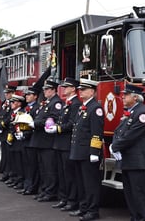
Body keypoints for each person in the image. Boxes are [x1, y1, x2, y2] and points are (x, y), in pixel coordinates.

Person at [110, 84, 145, 221]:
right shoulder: (132, 111)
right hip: (129, 160)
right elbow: (119, 131)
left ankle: (141, 218)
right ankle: (135, 217)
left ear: (135, 97)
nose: (123, 96)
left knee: (139, 194)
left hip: (138, 162)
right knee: (130, 194)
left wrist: (115, 146)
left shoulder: (142, 113)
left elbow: (131, 135)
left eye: (126, 94)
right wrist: (114, 145)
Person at [69, 78, 104, 221]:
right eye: (80, 89)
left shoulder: (95, 109)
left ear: (92, 92)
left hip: (88, 153)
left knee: (90, 184)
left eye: (84, 89)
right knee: (81, 182)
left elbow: (96, 133)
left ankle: (92, 210)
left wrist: (94, 152)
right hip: (79, 151)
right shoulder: (83, 107)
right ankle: (83, 207)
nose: (80, 92)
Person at [50, 77, 81, 211]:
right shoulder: (66, 103)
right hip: (60, 143)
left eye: (66, 87)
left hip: (67, 144)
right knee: (62, 173)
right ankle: (64, 198)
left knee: (69, 175)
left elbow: (72, 123)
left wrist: (58, 128)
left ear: (73, 89)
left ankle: (72, 200)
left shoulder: (75, 104)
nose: (64, 89)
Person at [31, 79, 63, 202]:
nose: (45, 91)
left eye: (47, 89)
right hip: (41, 141)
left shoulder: (56, 103)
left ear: (54, 90)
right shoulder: (47, 102)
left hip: (48, 141)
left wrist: (36, 123)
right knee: (43, 168)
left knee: (50, 169)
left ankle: (50, 192)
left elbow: (53, 119)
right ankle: (44, 189)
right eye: (44, 89)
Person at [19, 86, 41, 195]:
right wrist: (19, 132)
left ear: (35, 96)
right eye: (26, 95)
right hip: (24, 139)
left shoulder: (37, 108)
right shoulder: (25, 109)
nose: (27, 97)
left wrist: (25, 133)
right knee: (26, 164)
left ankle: (32, 187)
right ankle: (26, 185)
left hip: (32, 139)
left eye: (29, 95)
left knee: (33, 165)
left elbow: (34, 125)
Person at [0, 85, 16, 182]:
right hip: (3, 131)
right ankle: (5, 174)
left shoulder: (14, 103)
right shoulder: (4, 103)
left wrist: (2, 124)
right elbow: (0, 114)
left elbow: (11, 116)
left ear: (12, 93)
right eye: (6, 93)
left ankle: (10, 174)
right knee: (4, 153)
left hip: (8, 131)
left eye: (8, 93)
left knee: (9, 155)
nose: (6, 95)